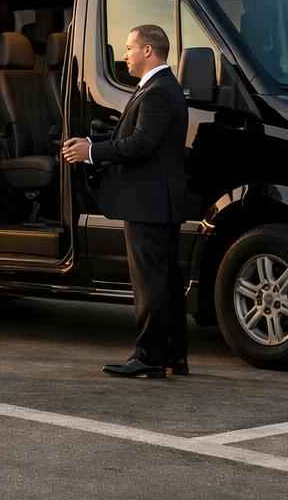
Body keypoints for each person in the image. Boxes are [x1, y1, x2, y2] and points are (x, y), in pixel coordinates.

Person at [62, 24, 191, 379]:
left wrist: (91, 152)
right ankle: (173, 356)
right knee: (163, 282)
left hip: (149, 204)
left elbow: (140, 145)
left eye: (130, 48)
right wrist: (94, 140)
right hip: (156, 203)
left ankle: (149, 357)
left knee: (150, 284)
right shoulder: (159, 89)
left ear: (149, 51)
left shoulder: (158, 92)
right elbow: (134, 136)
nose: (125, 55)